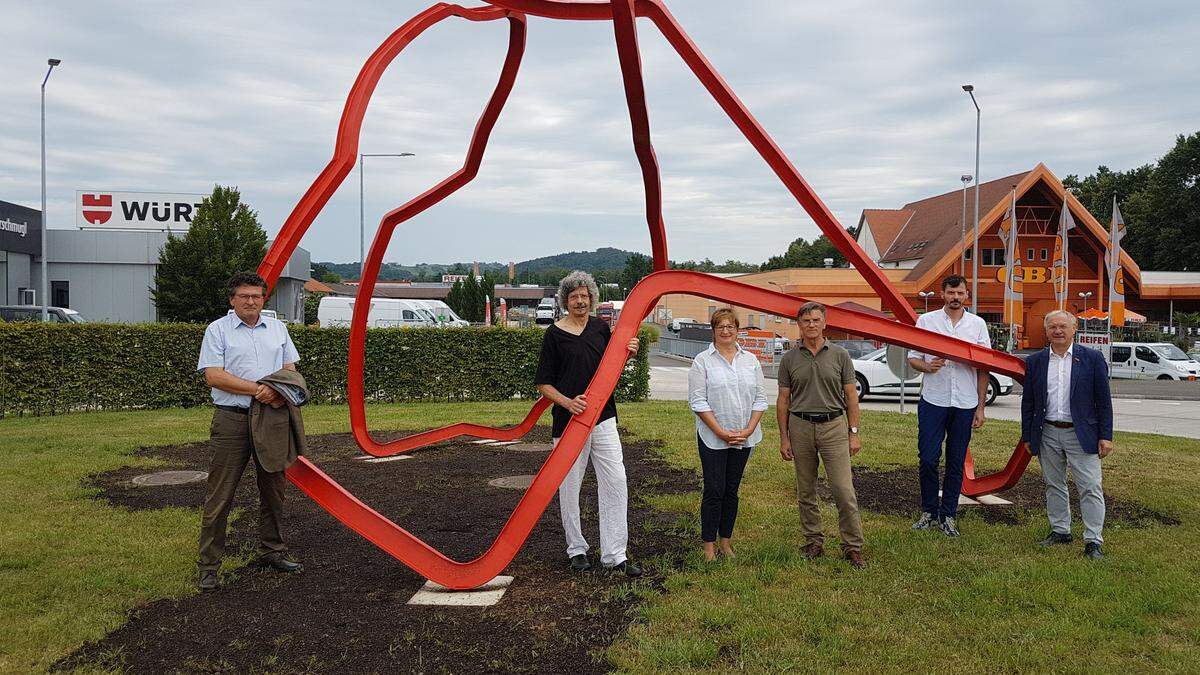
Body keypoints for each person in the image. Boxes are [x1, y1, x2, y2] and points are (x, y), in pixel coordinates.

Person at [195, 272, 303, 591]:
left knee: (274, 490)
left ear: (263, 298)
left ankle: (272, 551)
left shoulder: (278, 329)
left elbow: (289, 371)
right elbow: (214, 376)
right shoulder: (218, 330)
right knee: (220, 494)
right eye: (244, 296)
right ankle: (209, 565)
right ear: (232, 300)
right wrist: (260, 389)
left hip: (271, 418)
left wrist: (275, 391)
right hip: (232, 420)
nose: (251, 301)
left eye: (256, 296)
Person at [535, 270, 642, 577]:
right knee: (570, 485)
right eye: (574, 297)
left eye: (584, 296)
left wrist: (630, 354)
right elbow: (543, 383)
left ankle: (614, 554)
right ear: (565, 301)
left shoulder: (599, 328)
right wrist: (568, 402)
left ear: (592, 298)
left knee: (616, 480)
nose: (580, 301)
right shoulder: (554, 335)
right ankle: (577, 549)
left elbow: (613, 365)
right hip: (568, 423)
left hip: (604, 417)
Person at [777, 301, 866, 569]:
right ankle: (813, 541)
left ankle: (852, 546)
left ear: (824, 323)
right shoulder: (789, 359)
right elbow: (783, 400)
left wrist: (853, 432)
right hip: (800, 426)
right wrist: (784, 437)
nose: (811, 325)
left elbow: (851, 396)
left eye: (816, 320)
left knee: (843, 489)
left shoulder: (840, 355)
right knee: (806, 489)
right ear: (799, 325)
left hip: (834, 427)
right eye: (806, 321)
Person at [1021, 309, 1113, 560]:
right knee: (1054, 484)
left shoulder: (1092, 359)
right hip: (1048, 431)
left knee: (1090, 487)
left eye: (1063, 326)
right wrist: (1027, 436)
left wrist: (1106, 435)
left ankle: (1093, 541)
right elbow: (1028, 402)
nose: (1058, 331)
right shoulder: (1035, 361)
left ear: (1074, 329)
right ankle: (1060, 530)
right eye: (1053, 327)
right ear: (1046, 331)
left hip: (1081, 434)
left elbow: (1104, 401)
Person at [906, 275, 990, 538]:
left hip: (965, 402)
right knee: (928, 458)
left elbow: (984, 366)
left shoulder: (977, 324)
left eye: (960, 293)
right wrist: (927, 367)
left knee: (956, 461)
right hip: (934, 400)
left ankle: (948, 515)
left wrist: (980, 407)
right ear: (942, 294)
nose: (956, 297)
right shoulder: (926, 321)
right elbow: (913, 358)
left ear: (967, 295)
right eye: (951, 292)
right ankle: (929, 511)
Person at [688, 308, 767, 561]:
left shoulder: (750, 360)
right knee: (714, 489)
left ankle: (726, 542)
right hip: (713, 438)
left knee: (731, 490)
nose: (725, 331)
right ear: (713, 330)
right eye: (720, 326)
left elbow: (761, 398)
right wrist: (721, 432)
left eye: (730, 326)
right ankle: (709, 546)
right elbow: (698, 401)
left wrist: (750, 428)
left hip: (744, 437)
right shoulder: (702, 361)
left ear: (737, 329)